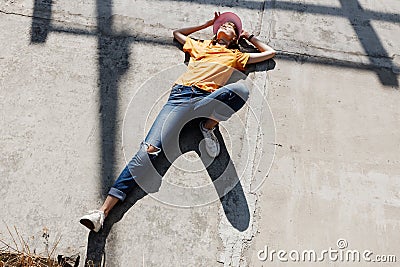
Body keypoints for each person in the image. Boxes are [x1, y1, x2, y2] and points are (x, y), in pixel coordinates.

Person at [79, 12, 276, 232]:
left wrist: (249, 37)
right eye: (224, 24)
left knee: (240, 89)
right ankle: (102, 213)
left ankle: (207, 127)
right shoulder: (200, 46)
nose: (227, 25)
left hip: (206, 100)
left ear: (235, 37)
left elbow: (270, 53)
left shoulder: (236, 56)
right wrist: (206, 24)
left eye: (232, 26)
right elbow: (177, 34)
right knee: (148, 152)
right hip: (180, 99)